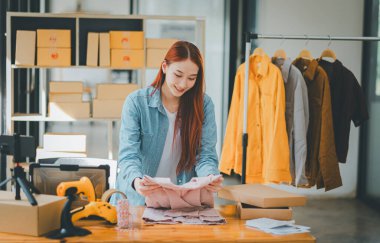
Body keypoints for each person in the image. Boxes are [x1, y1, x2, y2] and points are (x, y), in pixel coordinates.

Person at [115, 41, 223, 206]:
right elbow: (129, 155)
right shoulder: (137, 102)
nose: (183, 84)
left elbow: (205, 154)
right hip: (138, 200)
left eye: (191, 78)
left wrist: (209, 177)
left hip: (181, 201)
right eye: (178, 75)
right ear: (164, 67)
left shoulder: (204, 105)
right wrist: (137, 181)